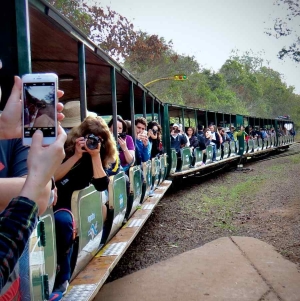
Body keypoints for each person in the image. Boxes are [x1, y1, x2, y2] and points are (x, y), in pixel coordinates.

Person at [0, 76, 66, 292]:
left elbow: (41, 195)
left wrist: (1, 129)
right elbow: (38, 192)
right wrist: (36, 181)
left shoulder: (10, 134)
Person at [52, 116, 119, 295]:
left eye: (98, 139)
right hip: (52, 200)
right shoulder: (64, 149)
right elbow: (52, 177)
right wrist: (75, 156)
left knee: (63, 222)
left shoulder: (99, 155)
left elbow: (101, 185)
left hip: (71, 209)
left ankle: (63, 276)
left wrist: (95, 155)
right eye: (90, 137)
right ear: (80, 135)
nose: (92, 142)